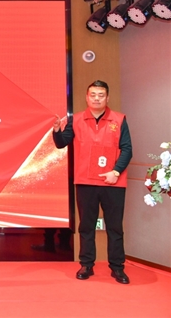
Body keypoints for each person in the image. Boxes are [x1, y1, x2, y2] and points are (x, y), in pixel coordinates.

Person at [53, 80, 132, 284]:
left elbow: (127, 149)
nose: (97, 98)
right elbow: (61, 143)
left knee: (115, 227)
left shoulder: (119, 120)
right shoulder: (76, 120)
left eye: (101, 95)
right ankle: (86, 264)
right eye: (93, 95)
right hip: (85, 181)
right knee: (86, 226)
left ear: (107, 97)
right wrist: (57, 130)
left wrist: (116, 172)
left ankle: (117, 267)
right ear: (87, 97)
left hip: (113, 182)